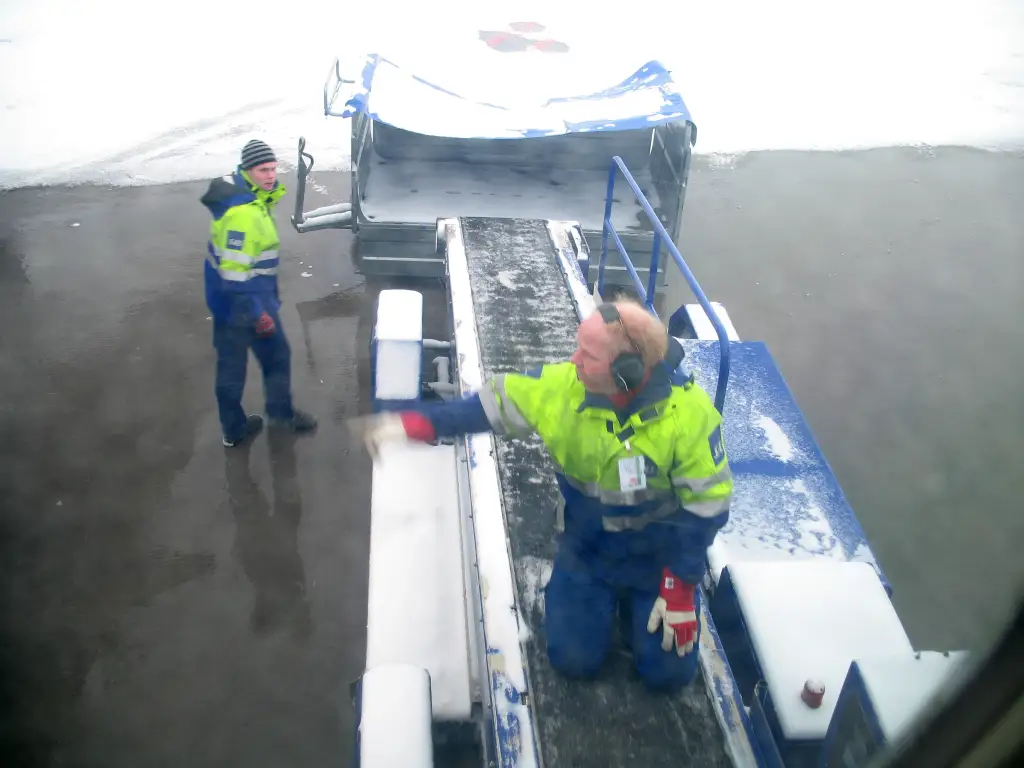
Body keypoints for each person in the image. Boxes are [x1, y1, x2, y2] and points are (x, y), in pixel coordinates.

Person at [351, 300, 732, 692]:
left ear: (626, 371)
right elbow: (488, 407)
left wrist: (680, 586)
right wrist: (415, 423)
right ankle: (587, 603)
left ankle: (641, 618)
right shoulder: (562, 389)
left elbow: (707, 508)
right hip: (588, 553)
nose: (574, 360)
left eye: (588, 354)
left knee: (667, 678)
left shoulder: (688, 416)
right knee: (572, 662)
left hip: (658, 563)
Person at [200, 139, 317, 447]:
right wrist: (258, 314)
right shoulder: (244, 214)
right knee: (269, 359)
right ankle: (279, 414)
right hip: (243, 306)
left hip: (233, 303)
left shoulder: (250, 199)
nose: (271, 176)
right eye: (263, 170)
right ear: (247, 171)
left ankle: (234, 430)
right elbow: (234, 276)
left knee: (232, 367)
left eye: (274, 169)